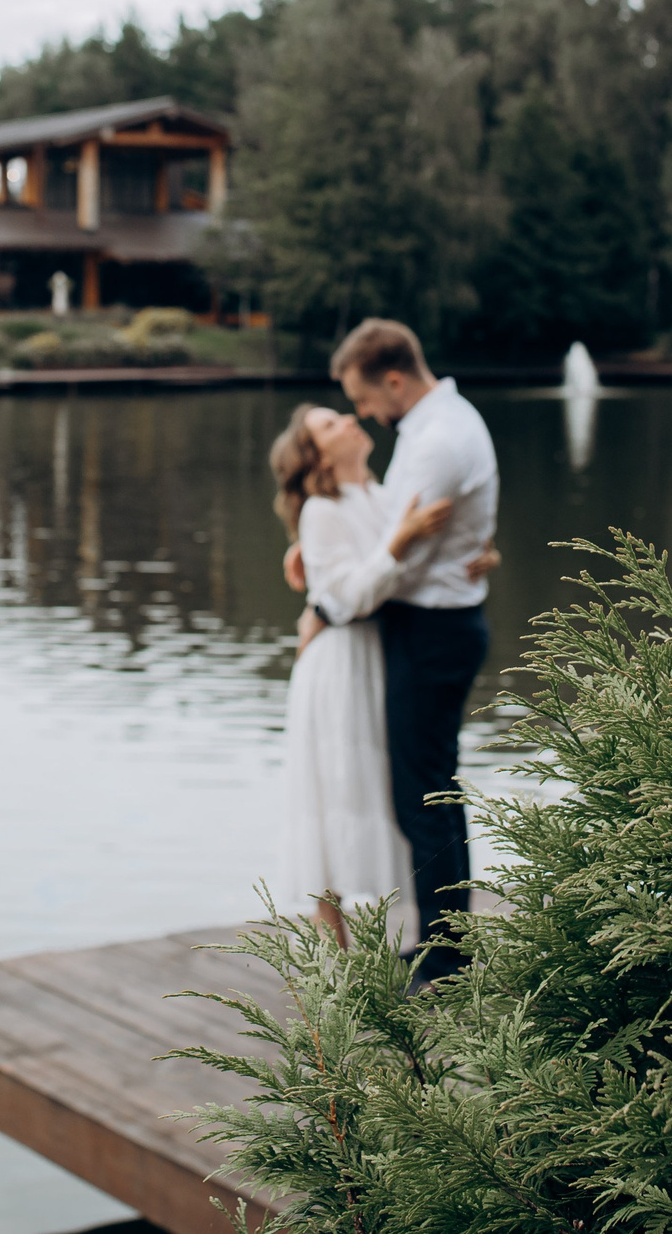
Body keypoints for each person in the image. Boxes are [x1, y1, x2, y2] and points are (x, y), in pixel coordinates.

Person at [293, 318, 500, 978]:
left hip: (431, 630)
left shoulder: (436, 439)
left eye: (360, 398)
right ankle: (446, 938)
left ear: (392, 378)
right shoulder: (436, 428)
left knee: (425, 795)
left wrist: (326, 604)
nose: (362, 413)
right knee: (431, 788)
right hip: (430, 624)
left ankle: (445, 954)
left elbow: (401, 558)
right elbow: (390, 538)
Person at [268, 403, 455, 948]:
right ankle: (336, 969)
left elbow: (400, 573)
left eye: (343, 415)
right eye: (329, 425)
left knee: (377, 794)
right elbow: (347, 597)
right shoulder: (321, 510)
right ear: (315, 455)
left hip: (380, 657)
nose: (349, 420)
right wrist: (398, 544)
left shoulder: (381, 497)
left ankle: (391, 954)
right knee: (332, 797)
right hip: (339, 667)